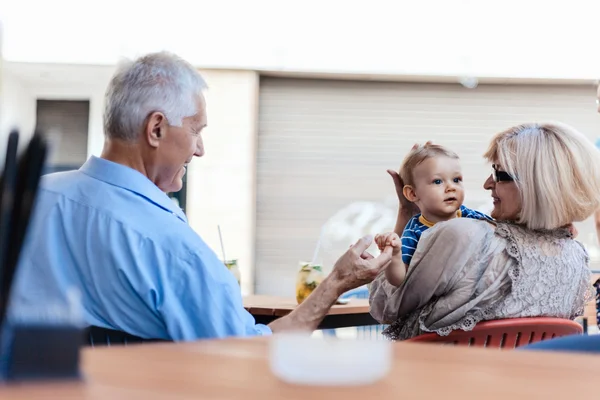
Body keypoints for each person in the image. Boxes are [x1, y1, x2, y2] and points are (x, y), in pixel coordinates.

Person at [9, 51, 392, 341]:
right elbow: (250, 357)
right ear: (156, 128)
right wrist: (337, 280)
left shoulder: (25, 201)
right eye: (196, 130)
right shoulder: (171, 250)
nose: (200, 149)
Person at [369, 122, 600, 341]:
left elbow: (385, 306)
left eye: (499, 174)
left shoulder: (462, 234)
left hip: (441, 377)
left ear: (537, 184)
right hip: (531, 380)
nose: (487, 183)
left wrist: (406, 214)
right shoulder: (576, 257)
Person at [377, 143, 491, 285]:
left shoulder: (471, 216)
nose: (451, 187)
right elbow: (399, 280)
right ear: (412, 193)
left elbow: (498, 236)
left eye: (456, 180)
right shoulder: (414, 230)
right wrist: (394, 255)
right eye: (438, 181)